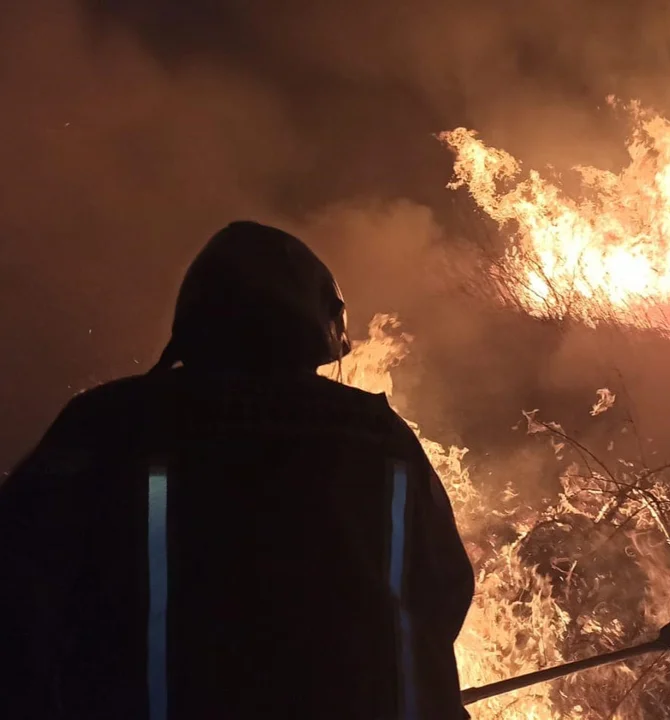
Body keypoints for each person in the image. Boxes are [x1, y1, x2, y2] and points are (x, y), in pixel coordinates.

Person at [0, 221, 475, 719]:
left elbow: (19, 585)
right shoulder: (382, 438)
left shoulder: (110, 424)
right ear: (321, 326)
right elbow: (442, 589)